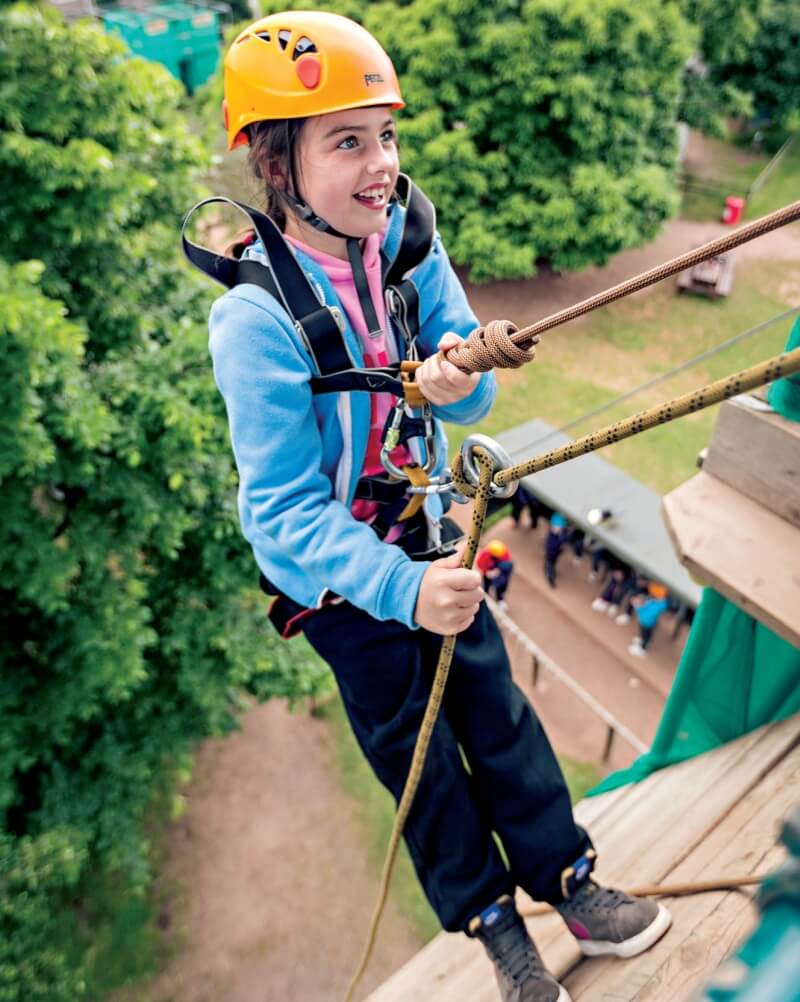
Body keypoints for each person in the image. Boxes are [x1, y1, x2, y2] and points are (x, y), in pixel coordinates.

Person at [194, 13, 671, 1001]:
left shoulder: (406, 236)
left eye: (386, 135)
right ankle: (494, 924)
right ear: (275, 166)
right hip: (342, 582)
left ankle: (567, 877)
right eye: (347, 141)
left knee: (494, 707)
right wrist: (400, 591)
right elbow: (279, 511)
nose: (381, 164)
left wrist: (463, 376)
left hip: (427, 530)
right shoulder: (255, 322)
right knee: (418, 758)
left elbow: (475, 382)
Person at [628, 585, 669, 657]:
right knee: (644, 633)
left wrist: (638, 606)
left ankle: (643, 649)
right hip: (645, 622)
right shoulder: (654, 601)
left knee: (646, 635)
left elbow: (648, 614)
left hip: (648, 623)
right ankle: (642, 641)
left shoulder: (660, 604)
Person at [476, 539, 514, 608]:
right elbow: (480, 564)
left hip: (499, 573)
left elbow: (508, 565)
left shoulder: (504, 553)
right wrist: (487, 572)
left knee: (500, 587)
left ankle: (500, 600)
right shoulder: (485, 554)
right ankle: (484, 598)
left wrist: (499, 570)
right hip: (488, 572)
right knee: (486, 586)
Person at [544, 513, 567, 588]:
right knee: (550, 565)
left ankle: (548, 572)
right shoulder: (553, 536)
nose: (557, 528)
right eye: (555, 527)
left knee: (551, 563)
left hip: (555, 553)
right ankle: (551, 579)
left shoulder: (558, 536)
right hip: (551, 553)